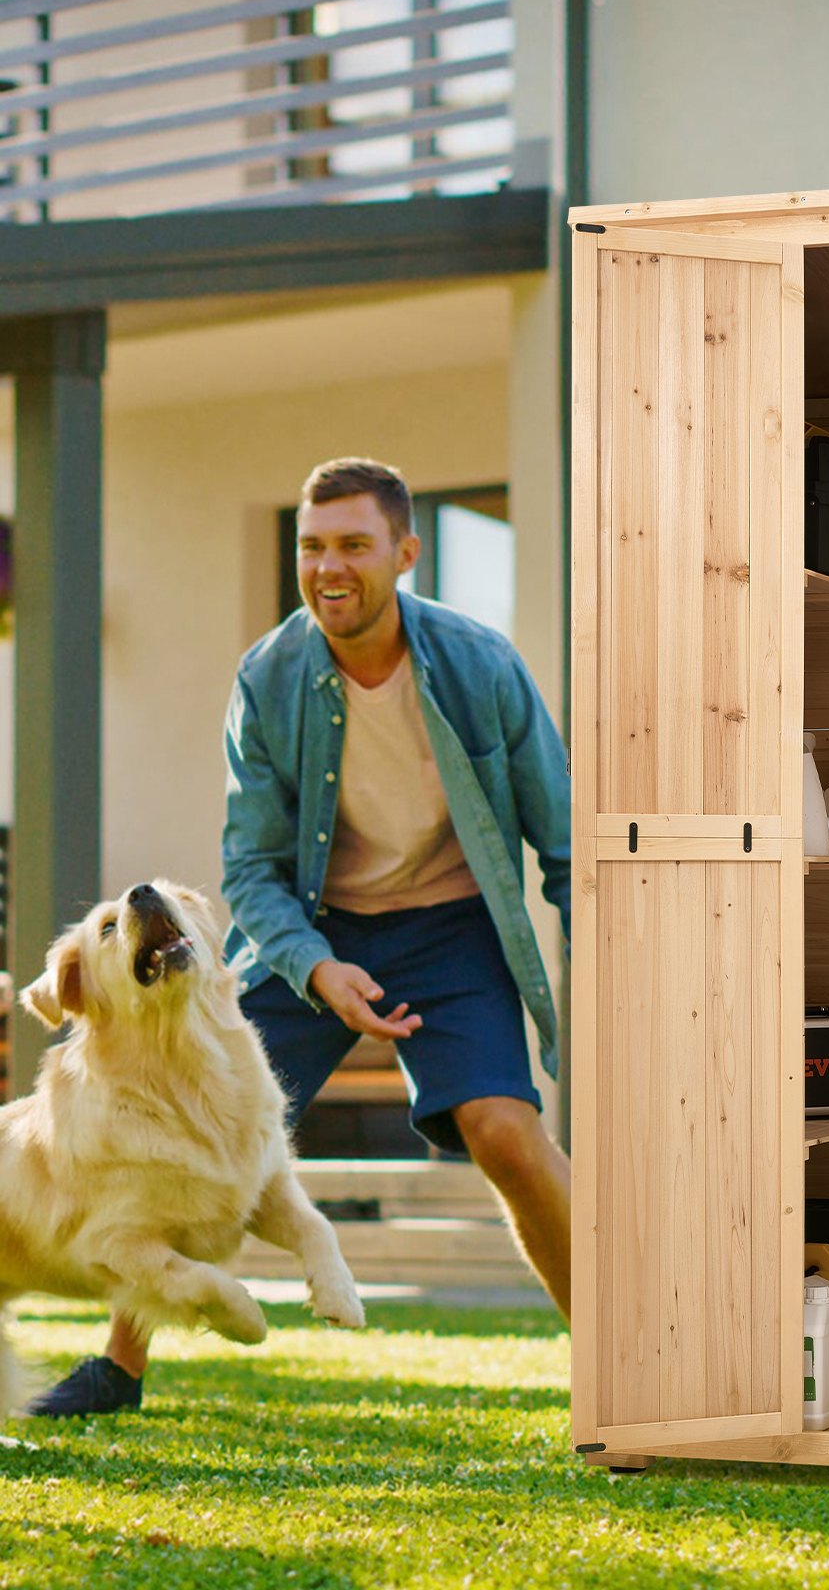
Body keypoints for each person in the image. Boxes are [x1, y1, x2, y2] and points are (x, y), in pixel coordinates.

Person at [30, 457, 572, 1417]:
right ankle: (120, 1368)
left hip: (451, 930)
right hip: (309, 932)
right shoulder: (271, 677)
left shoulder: (482, 664)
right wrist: (318, 968)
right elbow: (249, 869)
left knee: (507, 1136)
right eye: (311, 546)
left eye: (354, 545)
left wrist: (605, 971)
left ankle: (618, 1360)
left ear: (404, 553)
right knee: (193, 1117)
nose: (329, 567)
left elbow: (563, 839)